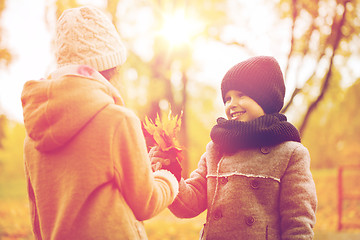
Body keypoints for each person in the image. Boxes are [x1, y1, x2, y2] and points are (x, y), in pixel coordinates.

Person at [21, 6, 179, 240]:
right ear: (112, 66)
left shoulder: (32, 136)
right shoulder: (118, 121)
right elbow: (146, 203)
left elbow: (37, 222)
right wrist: (167, 176)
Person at [151, 56, 317, 239]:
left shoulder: (291, 153)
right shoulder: (216, 149)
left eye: (241, 95)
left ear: (265, 100)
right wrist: (170, 170)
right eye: (227, 98)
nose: (231, 104)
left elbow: (298, 223)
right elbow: (189, 204)